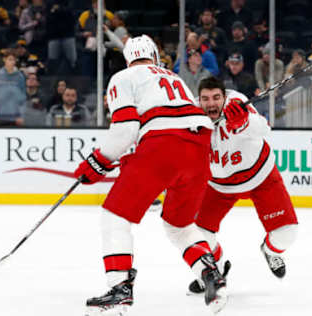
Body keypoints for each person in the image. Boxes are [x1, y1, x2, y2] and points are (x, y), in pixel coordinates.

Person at [73, 35, 227, 315]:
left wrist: (97, 162)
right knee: (179, 224)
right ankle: (211, 274)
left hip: (162, 147)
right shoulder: (174, 78)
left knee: (115, 216)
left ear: (128, 58)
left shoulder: (124, 76)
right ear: (155, 56)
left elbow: (125, 130)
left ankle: (119, 289)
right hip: (199, 150)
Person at [186, 76, 298, 295]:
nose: (211, 104)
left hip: (260, 176)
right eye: (206, 99)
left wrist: (245, 122)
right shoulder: (190, 116)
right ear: (199, 100)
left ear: (224, 96)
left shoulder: (237, 102)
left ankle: (270, 250)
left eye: (216, 98)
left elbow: (265, 129)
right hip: (219, 185)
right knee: (196, 233)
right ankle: (214, 269)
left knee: (288, 234)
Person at [0, 51, 26, 126]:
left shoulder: (20, 76)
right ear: (4, 59)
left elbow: (23, 97)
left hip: (15, 116)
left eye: (14, 60)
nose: (12, 62)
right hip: (0, 116)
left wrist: (21, 115)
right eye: (10, 59)